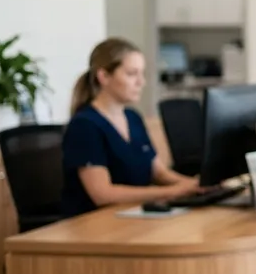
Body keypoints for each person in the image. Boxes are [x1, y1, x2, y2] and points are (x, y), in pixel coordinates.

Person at [59, 37, 202, 217]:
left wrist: (195, 185)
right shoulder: (84, 125)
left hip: (131, 215)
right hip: (94, 222)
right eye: (132, 74)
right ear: (104, 77)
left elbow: (159, 173)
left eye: (141, 74)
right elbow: (102, 194)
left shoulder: (133, 118)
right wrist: (171, 192)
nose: (141, 82)